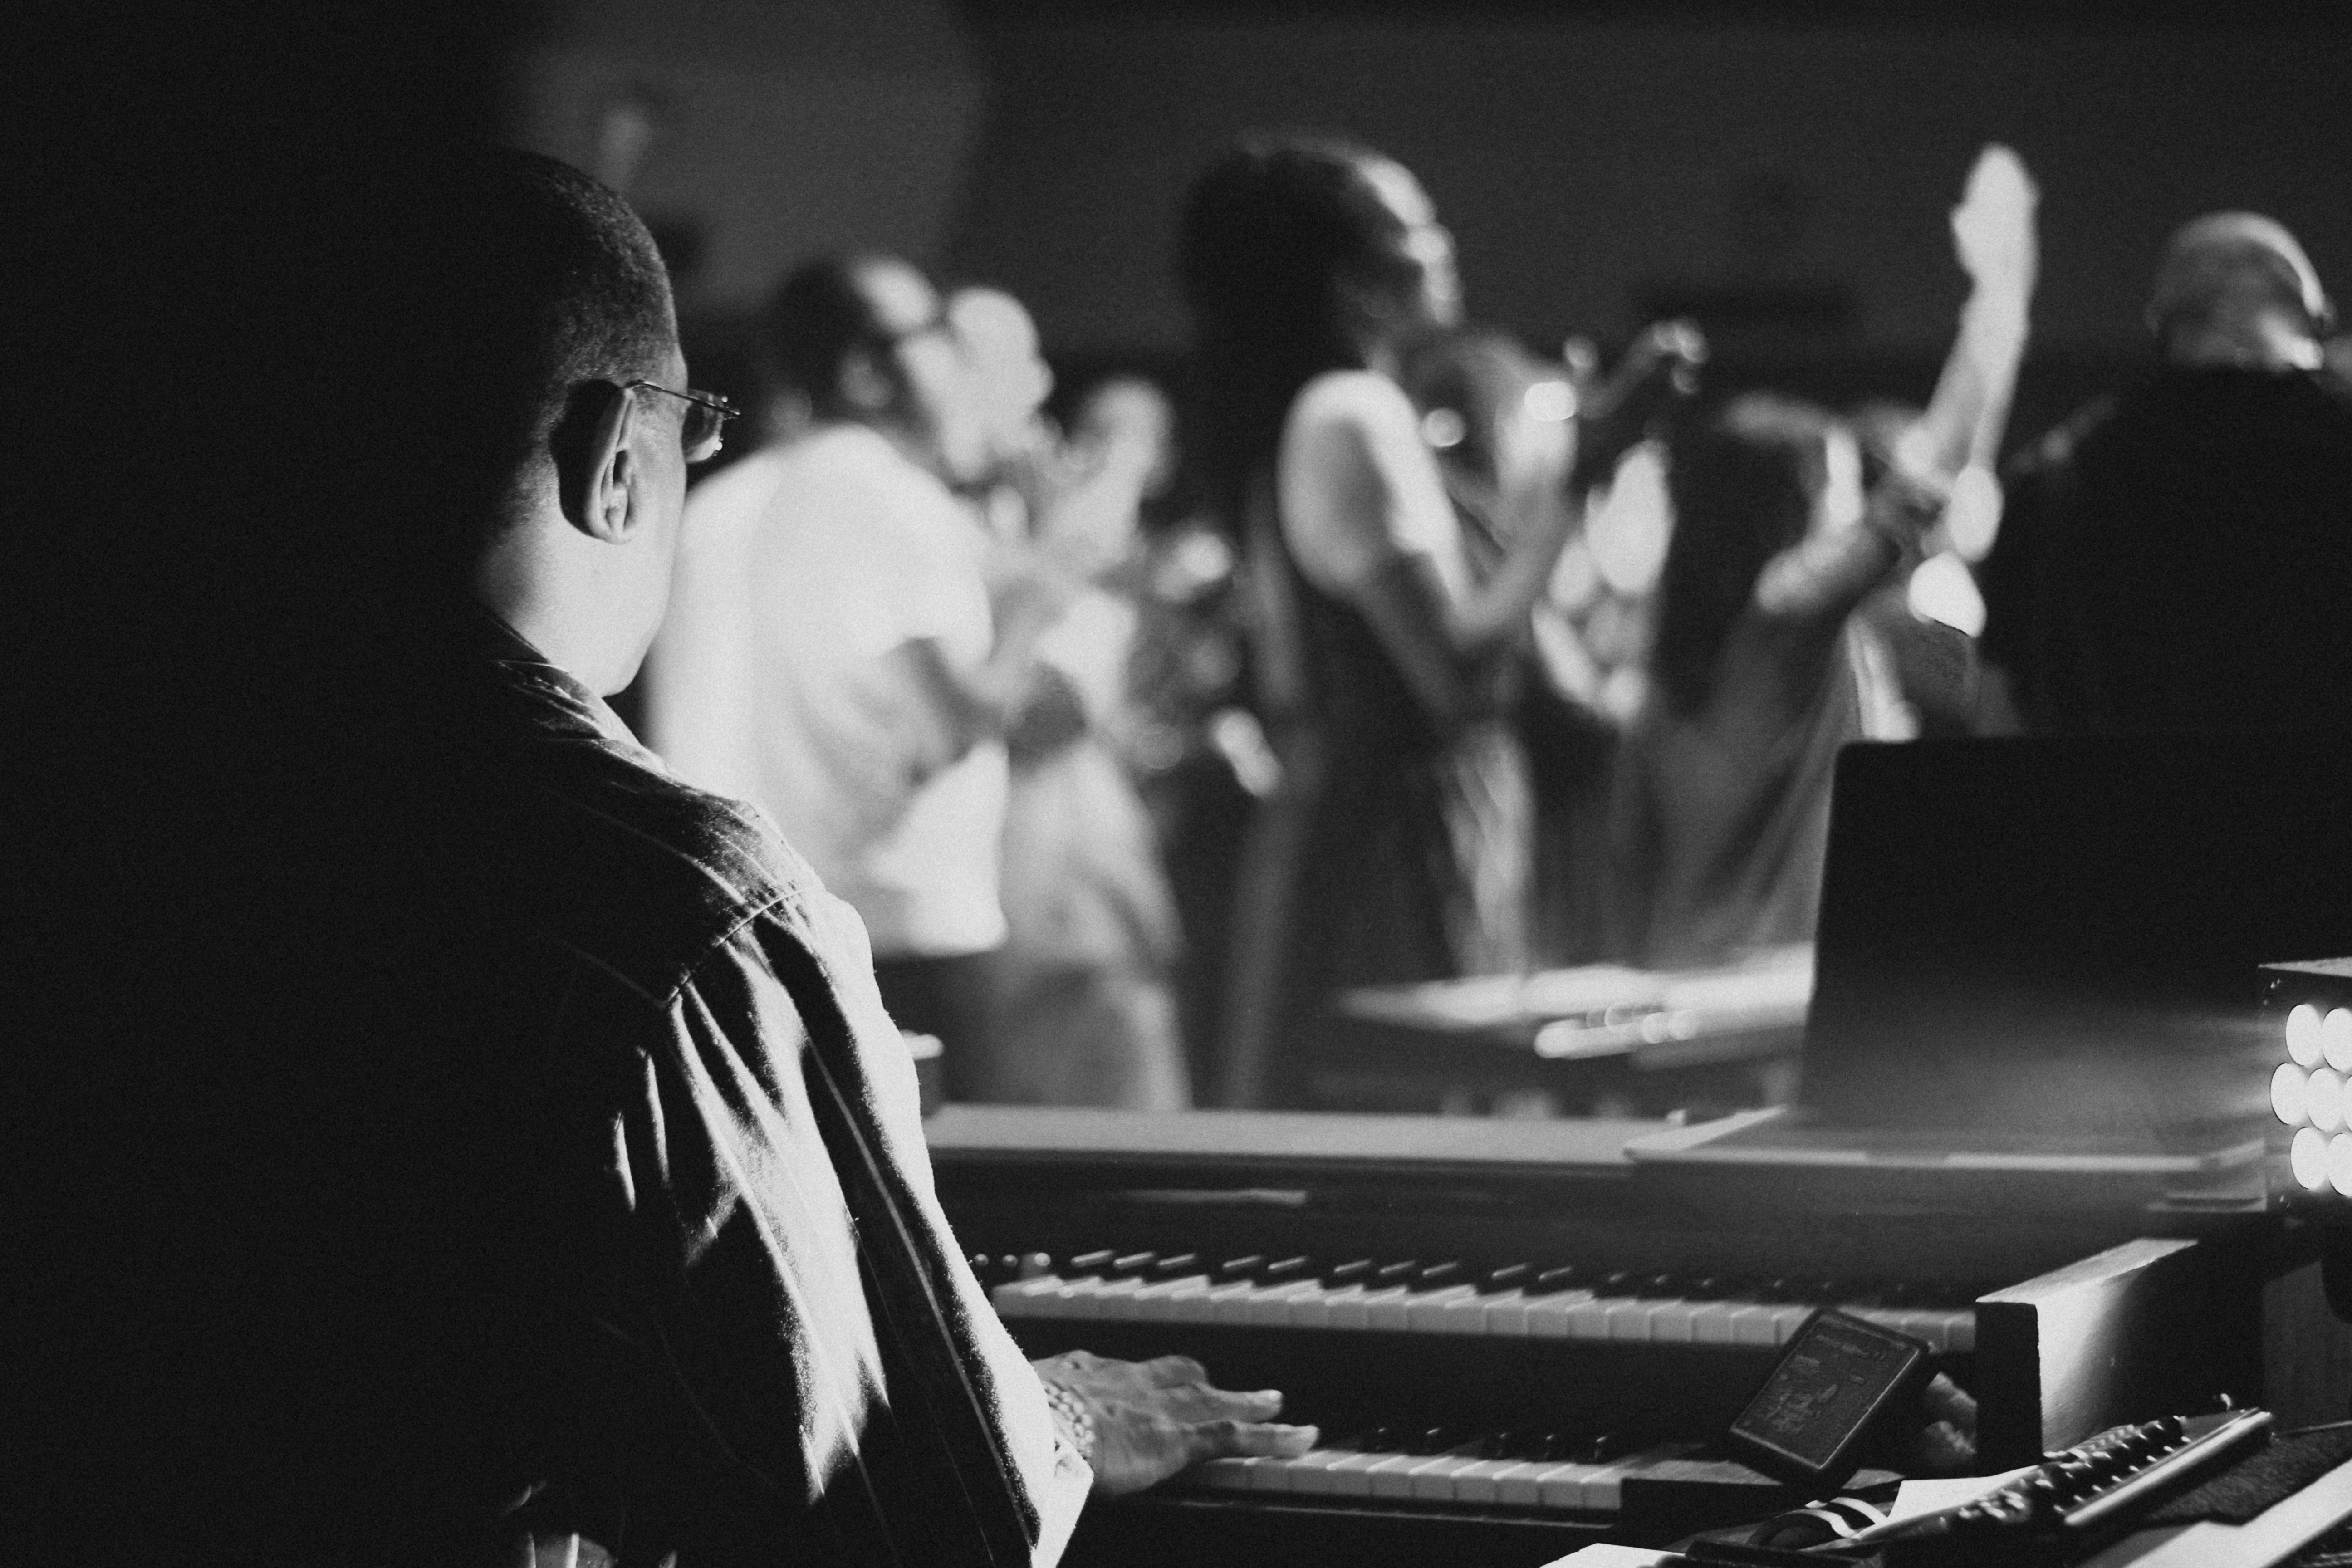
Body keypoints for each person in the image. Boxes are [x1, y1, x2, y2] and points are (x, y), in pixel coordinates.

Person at [33, 149, 1313, 1566]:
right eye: (690, 432)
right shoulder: (672, 905)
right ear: (615, 458)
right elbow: (908, 1516)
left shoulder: (99, 816)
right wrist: (1051, 1423)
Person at [1180, 136, 1595, 1109]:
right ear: (1352, 281)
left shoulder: (1337, 407)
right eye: (1415, 227)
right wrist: (1578, 474)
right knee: (1414, 1125)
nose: (1446, 244)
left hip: (1381, 819)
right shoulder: (1351, 412)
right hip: (1396, 843)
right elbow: (1455, 678)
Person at [639, 255, 1091, 1104]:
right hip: (902, 930)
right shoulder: (890, 495)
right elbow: (945, 731)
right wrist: (1038, 597)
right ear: (865, 370)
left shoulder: (733, 500)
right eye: (935, 338)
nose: (958, 366)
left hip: (750, 922)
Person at [1610, 147, 2038, 969]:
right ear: (1792, 509)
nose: (1852, 509)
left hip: (1676, 980)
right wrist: (1997, 302)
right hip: (1765, 1002)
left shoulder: (1671, 658)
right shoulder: (1780, 623)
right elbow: (1923, 486)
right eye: (1838, 488)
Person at [947, 295, 1195, 1110]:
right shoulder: (954, 525)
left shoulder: (1010, 516)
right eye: (1017, 364)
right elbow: (1049, 707)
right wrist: (1064, 558)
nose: (1040, 386)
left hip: (1083, 874)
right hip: (1040, 890)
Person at [1980, 211, 2352, 734]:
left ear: (2164, 324)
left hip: (2123, 809)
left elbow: (2001, 708)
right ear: (2311, 317)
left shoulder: (2058, 473)